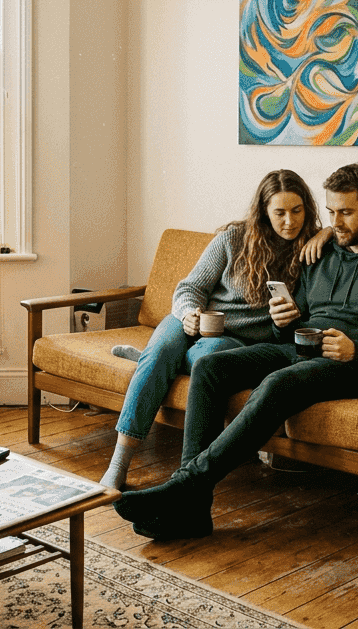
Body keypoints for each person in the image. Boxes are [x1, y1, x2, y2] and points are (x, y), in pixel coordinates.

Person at [112, 163, 358, 539]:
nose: (336, 222)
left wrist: (357, 350)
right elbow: (300, 320)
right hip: (302, 349)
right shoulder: (323, 252)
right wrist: (285, 320)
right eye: (331, 212)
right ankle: (194, 510)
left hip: (356, 364)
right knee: (211, 368)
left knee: (279, 384)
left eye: (346, 212)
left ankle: (184, 488)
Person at [98, 169, 330, 489]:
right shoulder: (232, 239)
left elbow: (354, 232)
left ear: (308, 209)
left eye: (297, 211)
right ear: (264, 211)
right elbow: (189, 288)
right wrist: (189, 313)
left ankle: (152, 360)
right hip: (195, 320)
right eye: (279, 212)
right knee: (164, 348)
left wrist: (327, 231)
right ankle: (118, 464)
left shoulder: (311, 252)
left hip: (234, 343)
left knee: (203, 358)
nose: (289, 221)